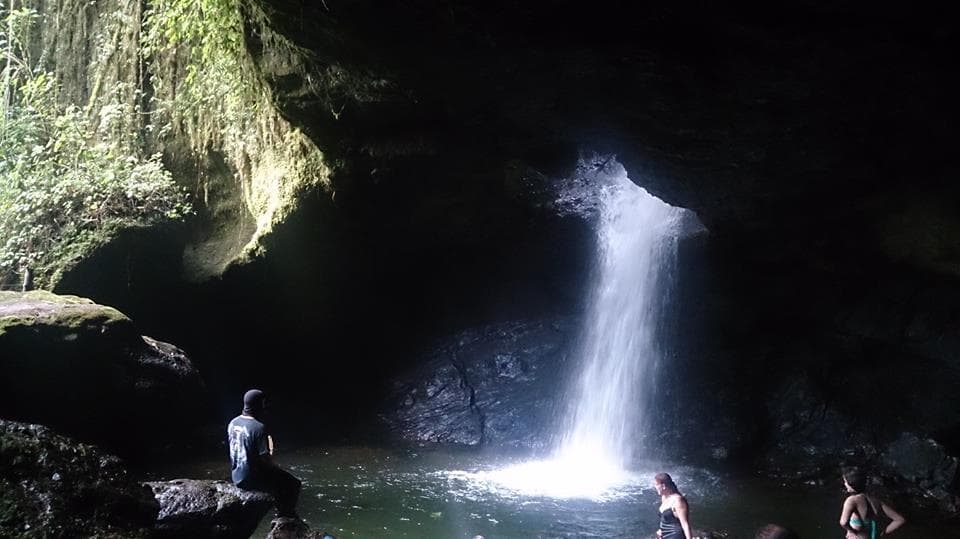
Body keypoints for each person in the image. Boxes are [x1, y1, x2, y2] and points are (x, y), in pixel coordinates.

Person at [227, 389, 302, 518]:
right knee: (293, 483)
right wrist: (275, 464)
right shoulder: (258, 427)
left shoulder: (233, 423)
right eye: (263, 403)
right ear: (259, 404)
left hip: (236, 475)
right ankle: (285, 517)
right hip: (252, 478)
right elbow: (265, 459)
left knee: (278, 478)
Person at [839, 466, 906, 539]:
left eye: (845, 482)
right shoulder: (876, 500)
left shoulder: (851, 501)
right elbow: (900, 520)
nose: (845, 484)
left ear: (851, 484)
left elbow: (843, 522)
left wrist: (852, 532)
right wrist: (882, 533)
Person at [654, 472, 692, 539]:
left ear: (663, 486)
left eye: (656, 484)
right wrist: (661, 530)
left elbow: (685, 524)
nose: (655, 487)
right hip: (665, 535)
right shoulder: (664, 498)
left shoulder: (678, 500)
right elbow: (666, 520)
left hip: (676, 536)